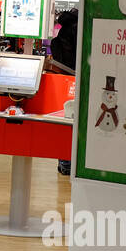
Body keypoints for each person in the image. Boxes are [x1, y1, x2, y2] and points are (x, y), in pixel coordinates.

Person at [49, 9, 79, 175]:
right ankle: (70, 164)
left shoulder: (61, 35)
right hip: (78, 82)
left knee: (65, 123)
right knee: (75, 125)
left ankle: (64, 164)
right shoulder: (78, 31)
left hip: (64, 83)